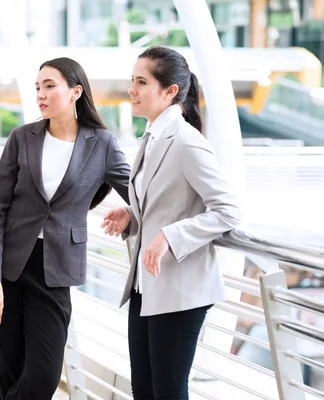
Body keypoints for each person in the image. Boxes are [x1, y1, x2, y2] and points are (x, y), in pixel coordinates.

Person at [0, 57, 131, 400]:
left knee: (42, 378)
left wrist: (131, 214)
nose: (41, 95)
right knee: (3, 376)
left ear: (76, 91)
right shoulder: (23, 138)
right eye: (37, 88)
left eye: (49, 86)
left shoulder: (101, 143)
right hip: (6, 268)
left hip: (55, 270)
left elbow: (141, 192)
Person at [101, 46, 242, 399]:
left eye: (141, 82)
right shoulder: (152, 138)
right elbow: (166, 201)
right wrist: (133, 217)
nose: (131, 90)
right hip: (146, 286)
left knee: (168, 391)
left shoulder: (187, 143)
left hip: (181, 291)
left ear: (170, 91)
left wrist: (169, 236)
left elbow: (227, 210)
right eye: (132, 81)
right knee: (144, 390)